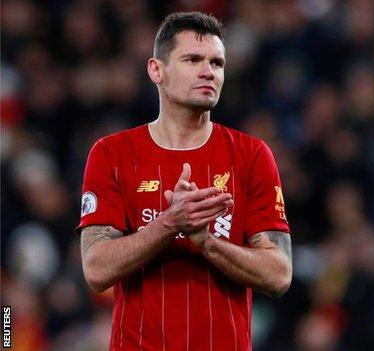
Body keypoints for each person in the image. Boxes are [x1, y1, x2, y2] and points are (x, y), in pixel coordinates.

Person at [78, 12, 292, 350]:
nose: (209, 72)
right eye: (193, 59)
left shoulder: (252, 156)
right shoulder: (111, 154)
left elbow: (279, 275)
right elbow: (96, 270)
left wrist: (206, 242)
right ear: (156, 70)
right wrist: (169, 223)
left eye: (217, 63)